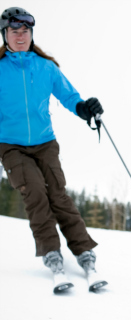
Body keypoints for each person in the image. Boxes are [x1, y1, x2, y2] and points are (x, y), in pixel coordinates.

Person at [0, 7, 107, 293]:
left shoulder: (45, 67)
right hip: (11, 146)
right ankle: (52, 256)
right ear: (5, 35)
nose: (20, 36)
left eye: (25, 31)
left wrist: (86, 109)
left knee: (58, 195)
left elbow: (69, 96)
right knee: (36, 193)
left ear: (31, 34)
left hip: (45, 143)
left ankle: (85, 254)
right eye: (14, 31)